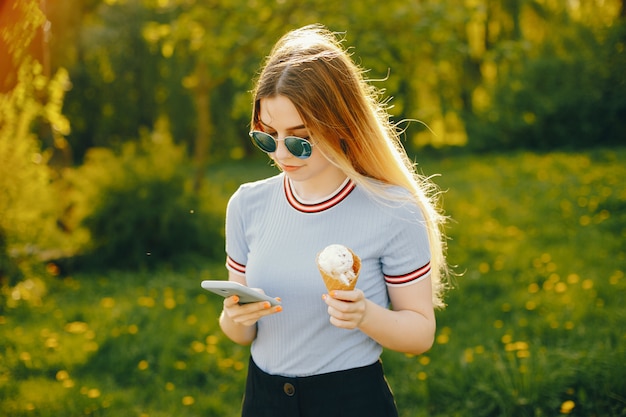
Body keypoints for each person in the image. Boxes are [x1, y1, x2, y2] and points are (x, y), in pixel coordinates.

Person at [219, 24, 449, 417]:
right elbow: (241, 334)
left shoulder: (392, 208)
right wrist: (233, 316)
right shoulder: (247, 204)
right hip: (263, 400)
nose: (280, 153)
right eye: (266, 135)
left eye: (298, 138)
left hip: (350, 400)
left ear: (340, 124)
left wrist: (365, 315)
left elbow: (420, 334)